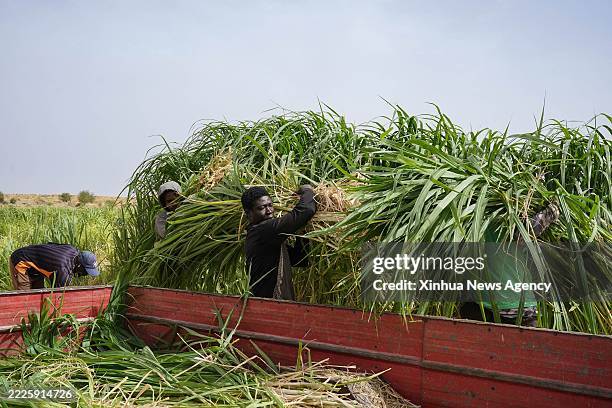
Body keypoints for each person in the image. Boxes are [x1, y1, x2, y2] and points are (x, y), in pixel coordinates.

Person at [460, 203, 560, 326]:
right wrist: (547, 216)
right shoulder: (490, 219)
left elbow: (523, 235)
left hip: (513, 306)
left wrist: (546, 216)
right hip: (504, 305)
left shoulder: (483, 220)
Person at [241, 185, 317, 300]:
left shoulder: (265, 237)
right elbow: (307, 210)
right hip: (270, 304)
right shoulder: (263, 230)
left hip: (277, 304)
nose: (269, 211)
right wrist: (307, 190)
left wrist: (302, 230)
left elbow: (300, 259)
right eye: (262, 208)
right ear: (248, 213)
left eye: (270, 205)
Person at [9, 243, 100, 290]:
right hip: (21, 261)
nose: (84, 274)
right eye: (85, 271)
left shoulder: (73, 249)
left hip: (37, 265)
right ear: (79, 265)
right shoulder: (63, 269)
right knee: (25, 297)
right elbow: (57, 297)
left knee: (38, 293)